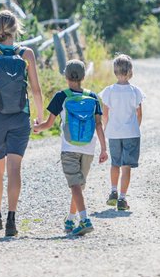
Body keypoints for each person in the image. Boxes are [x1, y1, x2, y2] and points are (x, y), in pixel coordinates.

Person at [0, 10, 44, 237]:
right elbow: (35, 89)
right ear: (16, 28)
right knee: (15, 169)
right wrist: (40, 117)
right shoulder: (27, 54)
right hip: (20, 116)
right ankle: (12, 219)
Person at [32, 59, 108, 237]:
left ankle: (85, 220)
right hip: (89, 147)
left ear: (66, 76)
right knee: (78, 186)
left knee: (75, 185)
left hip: (69, 146)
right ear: (83, 77)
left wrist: (35, 128)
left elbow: (48, 124)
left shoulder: (61, 96)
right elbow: (98, 125)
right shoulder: (93, 97)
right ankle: (70, 219)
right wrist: (104, 149)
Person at [100, 54, 145, 211]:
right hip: (131, 133)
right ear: (130, 71)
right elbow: (139, 114)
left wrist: (107, 128)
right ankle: (122, 198)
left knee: (115, 164)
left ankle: (113, 190)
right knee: (126, 167)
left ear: (115, 71)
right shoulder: (135, 92)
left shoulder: (109, 91)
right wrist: (135, 127)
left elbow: (105, 114)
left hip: (114, 133)